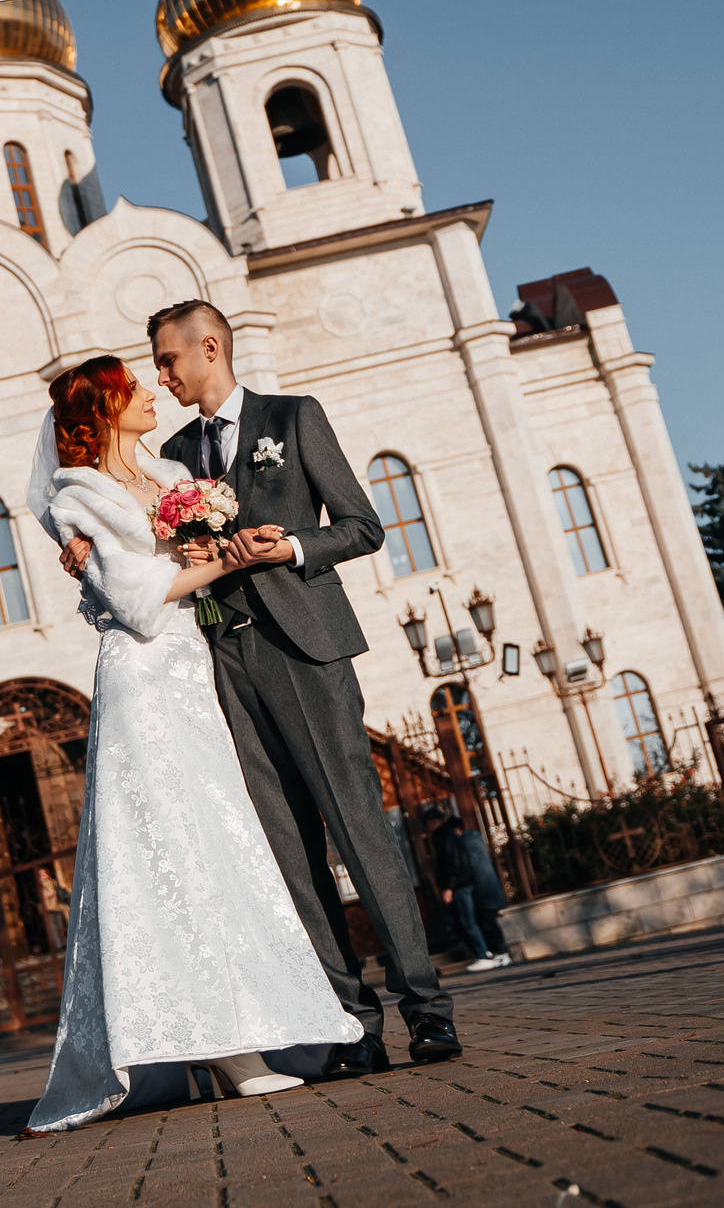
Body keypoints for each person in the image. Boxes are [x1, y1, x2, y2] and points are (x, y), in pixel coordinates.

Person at [61, 301, 457, 1075]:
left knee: (357, 832)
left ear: (210, 348)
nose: (162, 376)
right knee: (288, 852)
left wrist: (293, 546)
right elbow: (133, 525)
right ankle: (351, 1026)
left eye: (169, 361)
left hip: (304, 651)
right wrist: (80, 542)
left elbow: (362, 525)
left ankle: (428, 1010)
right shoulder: (169, 457)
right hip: (218, 669)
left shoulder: (293, 417)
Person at [19, 355, 361, 1135]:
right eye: (131, 389)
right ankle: (226, 1049)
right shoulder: (80, 495)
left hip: (189, 669)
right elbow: (135, 599)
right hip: (144, 678)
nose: (149, 393)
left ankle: (229, 1030)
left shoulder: (167, 471)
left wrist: (240, 543)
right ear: (103, 410)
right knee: (173, 850)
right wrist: (214, 561)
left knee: (219, 844)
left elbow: (182, 561)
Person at [422, 804, 506, 973]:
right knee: (462, 921)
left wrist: (448, 887)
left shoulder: (444, 835)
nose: (429, 825)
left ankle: (483, 954)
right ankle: (485, 952)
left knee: (466, 921)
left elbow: (453, 862)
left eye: (431, 821)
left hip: (458, 885)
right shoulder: (446, 835)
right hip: (460, 884)